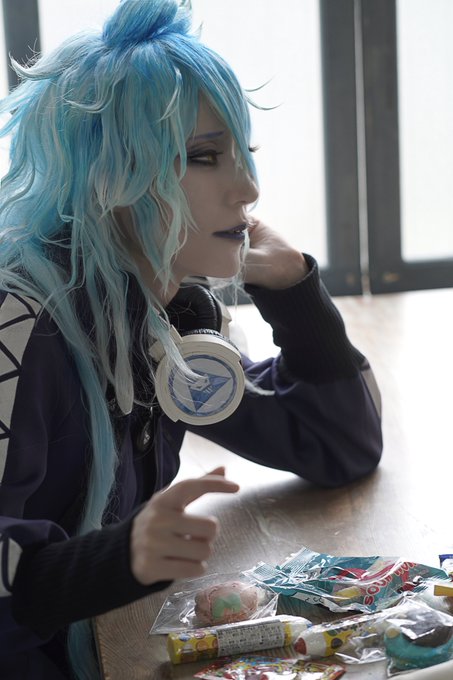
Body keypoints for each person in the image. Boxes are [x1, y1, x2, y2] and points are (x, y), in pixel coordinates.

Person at [0, 0, 382, 677]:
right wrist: (117, 559)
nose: (248, 189)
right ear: (108, 174)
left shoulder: (159, 311)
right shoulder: (22, 322)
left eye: (244, 153)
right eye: (204, 157)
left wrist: (293, 290)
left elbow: (338, 446)